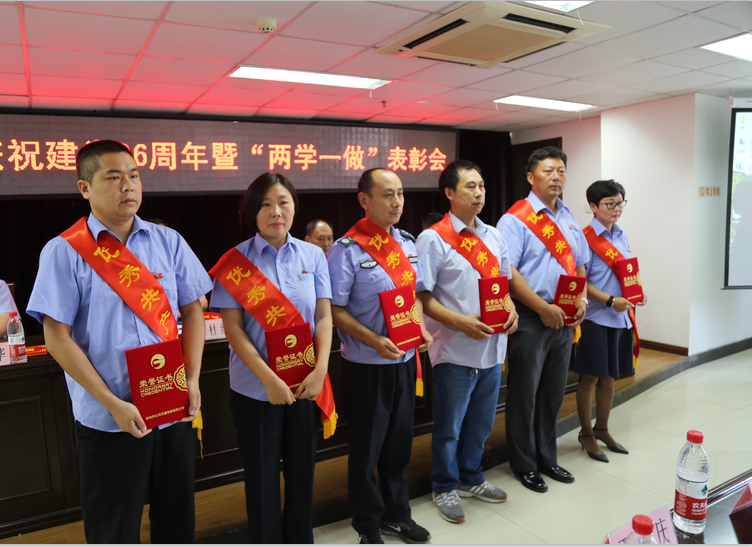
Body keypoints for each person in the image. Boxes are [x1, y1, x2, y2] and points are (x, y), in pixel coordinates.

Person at [26, 139, 212, 543]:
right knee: (114, 528)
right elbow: (56, 338)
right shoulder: (64, 251)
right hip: (110, 418)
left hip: (172, 406)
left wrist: (192, 378)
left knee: (177, 520)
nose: (128, 185)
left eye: (134, 175)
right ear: (85, 188)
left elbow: (194, 309)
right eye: (113, 177)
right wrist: (112, 403)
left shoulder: (168, 241)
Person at [210, 173, 333, 544]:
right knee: (261, 480)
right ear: (252, 211)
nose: (276, 212)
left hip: (305, 385)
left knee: (302, 474)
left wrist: (321, 370)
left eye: (283, 202)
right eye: (265, 204)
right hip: (255, 391)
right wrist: (269, 380)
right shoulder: (234, 262)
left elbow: (323, 317)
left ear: (294, 207)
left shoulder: (313, 255)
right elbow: (234, 330)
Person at [328, 167, 432, 544]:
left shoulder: (408, 243)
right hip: (367, 365)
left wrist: (419, 327)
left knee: (399, 445)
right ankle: (368, 524)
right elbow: (334, 310)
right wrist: (373, 340)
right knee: (366, 450)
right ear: (364, 199)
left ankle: (398, 514)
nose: (397, 201)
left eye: (400, 193)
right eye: (387, 194)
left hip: (404, 361)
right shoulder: (346, 250)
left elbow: (414, 296)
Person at [416, 160, 519, 524]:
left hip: (492, 348)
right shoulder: (432, 239)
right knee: (449, 428)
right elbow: (422, 297)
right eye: (470, 187)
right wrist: (460, 321)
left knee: (481, 424)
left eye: (482, 186)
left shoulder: (494, 236)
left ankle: (471, 477)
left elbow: (502, 289)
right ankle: (444, 486)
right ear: (449, 193)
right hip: (455, 350)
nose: (479, 193)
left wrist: (511, 311)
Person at [496, 146, 589, 494]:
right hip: (532, 318)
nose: (556, 177)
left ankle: (548, 458)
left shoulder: (569, 216)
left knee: (552, 394)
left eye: (561, 171)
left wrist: (580, 301)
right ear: (531, 177)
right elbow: (508, 272)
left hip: (564, 318)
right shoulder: (515, 219)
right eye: (548, 171)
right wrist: (541, 308)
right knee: (525, 395)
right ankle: (524, 464)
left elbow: (580, 265)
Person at [573, 179, 647, 462]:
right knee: (590, 377)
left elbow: (626, 272)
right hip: (595, 317)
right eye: (610, 204)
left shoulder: (622, 235)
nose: (617, 209)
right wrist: (609, 300)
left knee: (610, 376)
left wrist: (637, 292)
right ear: (593, 206)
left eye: (620, 203)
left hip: (620, 318)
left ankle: (602, 428)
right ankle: (586, 434)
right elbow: (582, 282)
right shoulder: (585, 237)